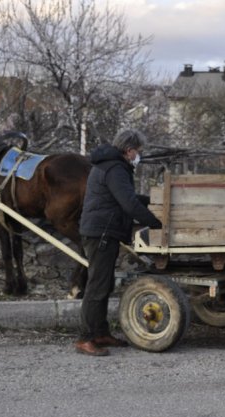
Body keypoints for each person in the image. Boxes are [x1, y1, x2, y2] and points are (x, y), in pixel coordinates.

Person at [75, 129, 162, 356]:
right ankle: (85, 338)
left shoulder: (110, 165)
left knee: (104, 284)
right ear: (129, 150)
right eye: (138, 152)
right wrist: (156, 223)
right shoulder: (115, 169)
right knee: (97, 285)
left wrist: (156, 200)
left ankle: (100, 332)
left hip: (102, 230)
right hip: (101, 232)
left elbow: (129, 198)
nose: (138, 156)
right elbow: (129, 204)